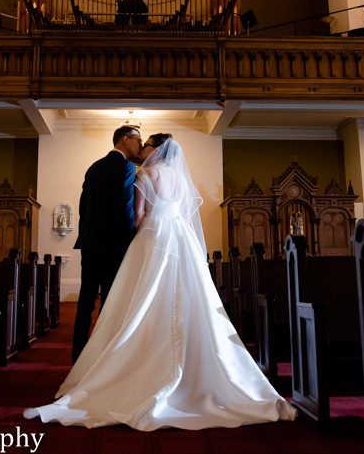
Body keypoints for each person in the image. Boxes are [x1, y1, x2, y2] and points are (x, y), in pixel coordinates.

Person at [25, 133, 295, 430]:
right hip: (181, 239)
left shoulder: (143, 173)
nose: (143, 149)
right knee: (187, 298)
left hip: (150, 238)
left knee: (135, 300)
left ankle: (110, 361)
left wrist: (135, 237)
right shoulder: (179, 178)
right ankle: (197, 368)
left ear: (156, 150)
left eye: (148, 145)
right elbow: (180, 210)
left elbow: (137, 213)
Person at [70, 125, 142, 363]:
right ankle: (101, 359)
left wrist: (88, 234)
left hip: (90, 244)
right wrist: (132, 241)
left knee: (86, 300)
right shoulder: (126, 166)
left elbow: (83, 206)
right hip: (113, 246)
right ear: (125, 139)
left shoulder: (94, 167)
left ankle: (78, 356)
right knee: (110, 302)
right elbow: (125, 207)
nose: (140, 146)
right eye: (137, 140)